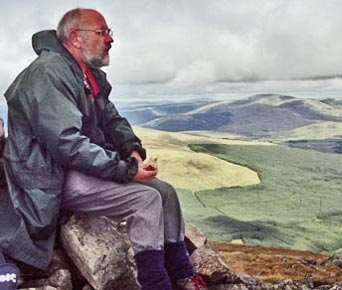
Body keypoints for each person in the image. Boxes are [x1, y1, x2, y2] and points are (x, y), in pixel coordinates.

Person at [0, 8, 206, 290]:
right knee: (145, 200)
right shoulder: (48, 74)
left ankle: (182, 275)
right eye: (102, 32)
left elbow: (112, 119)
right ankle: (156, 283)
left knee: (166, 193)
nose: (110, 40)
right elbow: (66, 144)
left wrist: (132, 151)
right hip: (48, 178)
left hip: (75, 167)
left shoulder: (87, 74)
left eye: (110, 33)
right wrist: (126, 171)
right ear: (75, 38)